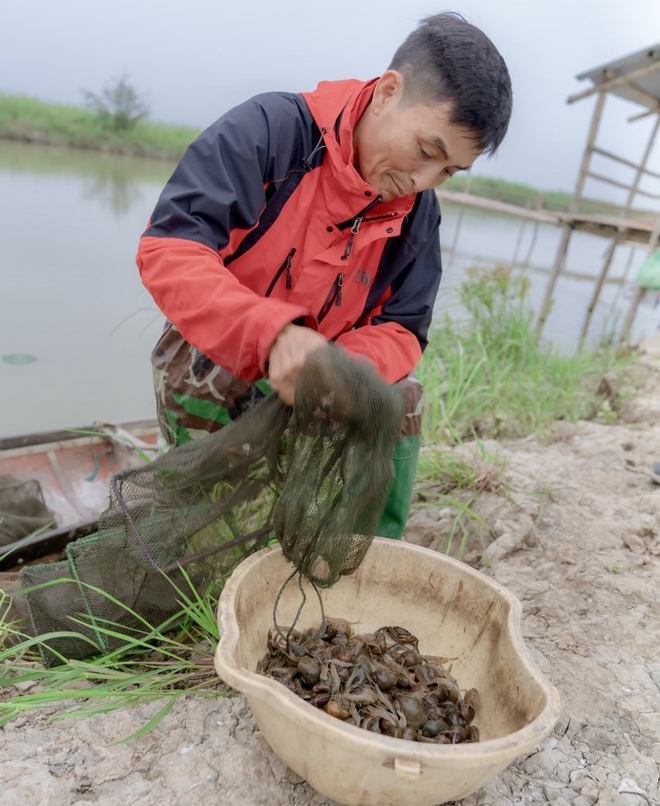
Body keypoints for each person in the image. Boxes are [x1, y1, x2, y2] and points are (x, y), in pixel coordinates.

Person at [135, 12, 513, 539]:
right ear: (387, 91)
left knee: (402, 396)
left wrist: (341, 367)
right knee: (185, 518)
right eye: (427, 151)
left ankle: (363, 551)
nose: (422, 181)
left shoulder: (417, 211)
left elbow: (405, 327)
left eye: (448, 172)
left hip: (317, 380)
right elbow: (169, 248)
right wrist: (274, 335)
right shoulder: (272, 132)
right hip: (224, 351)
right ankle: (183, 509)